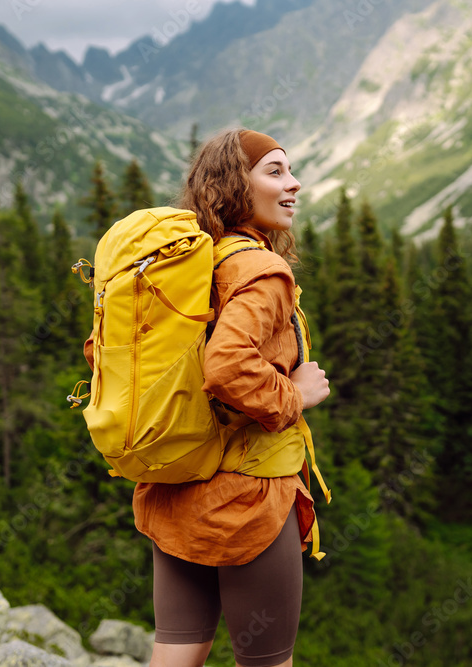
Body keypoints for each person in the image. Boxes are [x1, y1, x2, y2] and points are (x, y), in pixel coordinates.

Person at [139, 128, 331, 667]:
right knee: (267, 661)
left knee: (178, 649)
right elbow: (226, 367)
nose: (294, 183)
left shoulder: (187, 264)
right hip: (248, 499)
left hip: (176, 485)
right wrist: (294, 395)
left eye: (289, 170)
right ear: (233, 185)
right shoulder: (260, 270)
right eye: (274, 172)